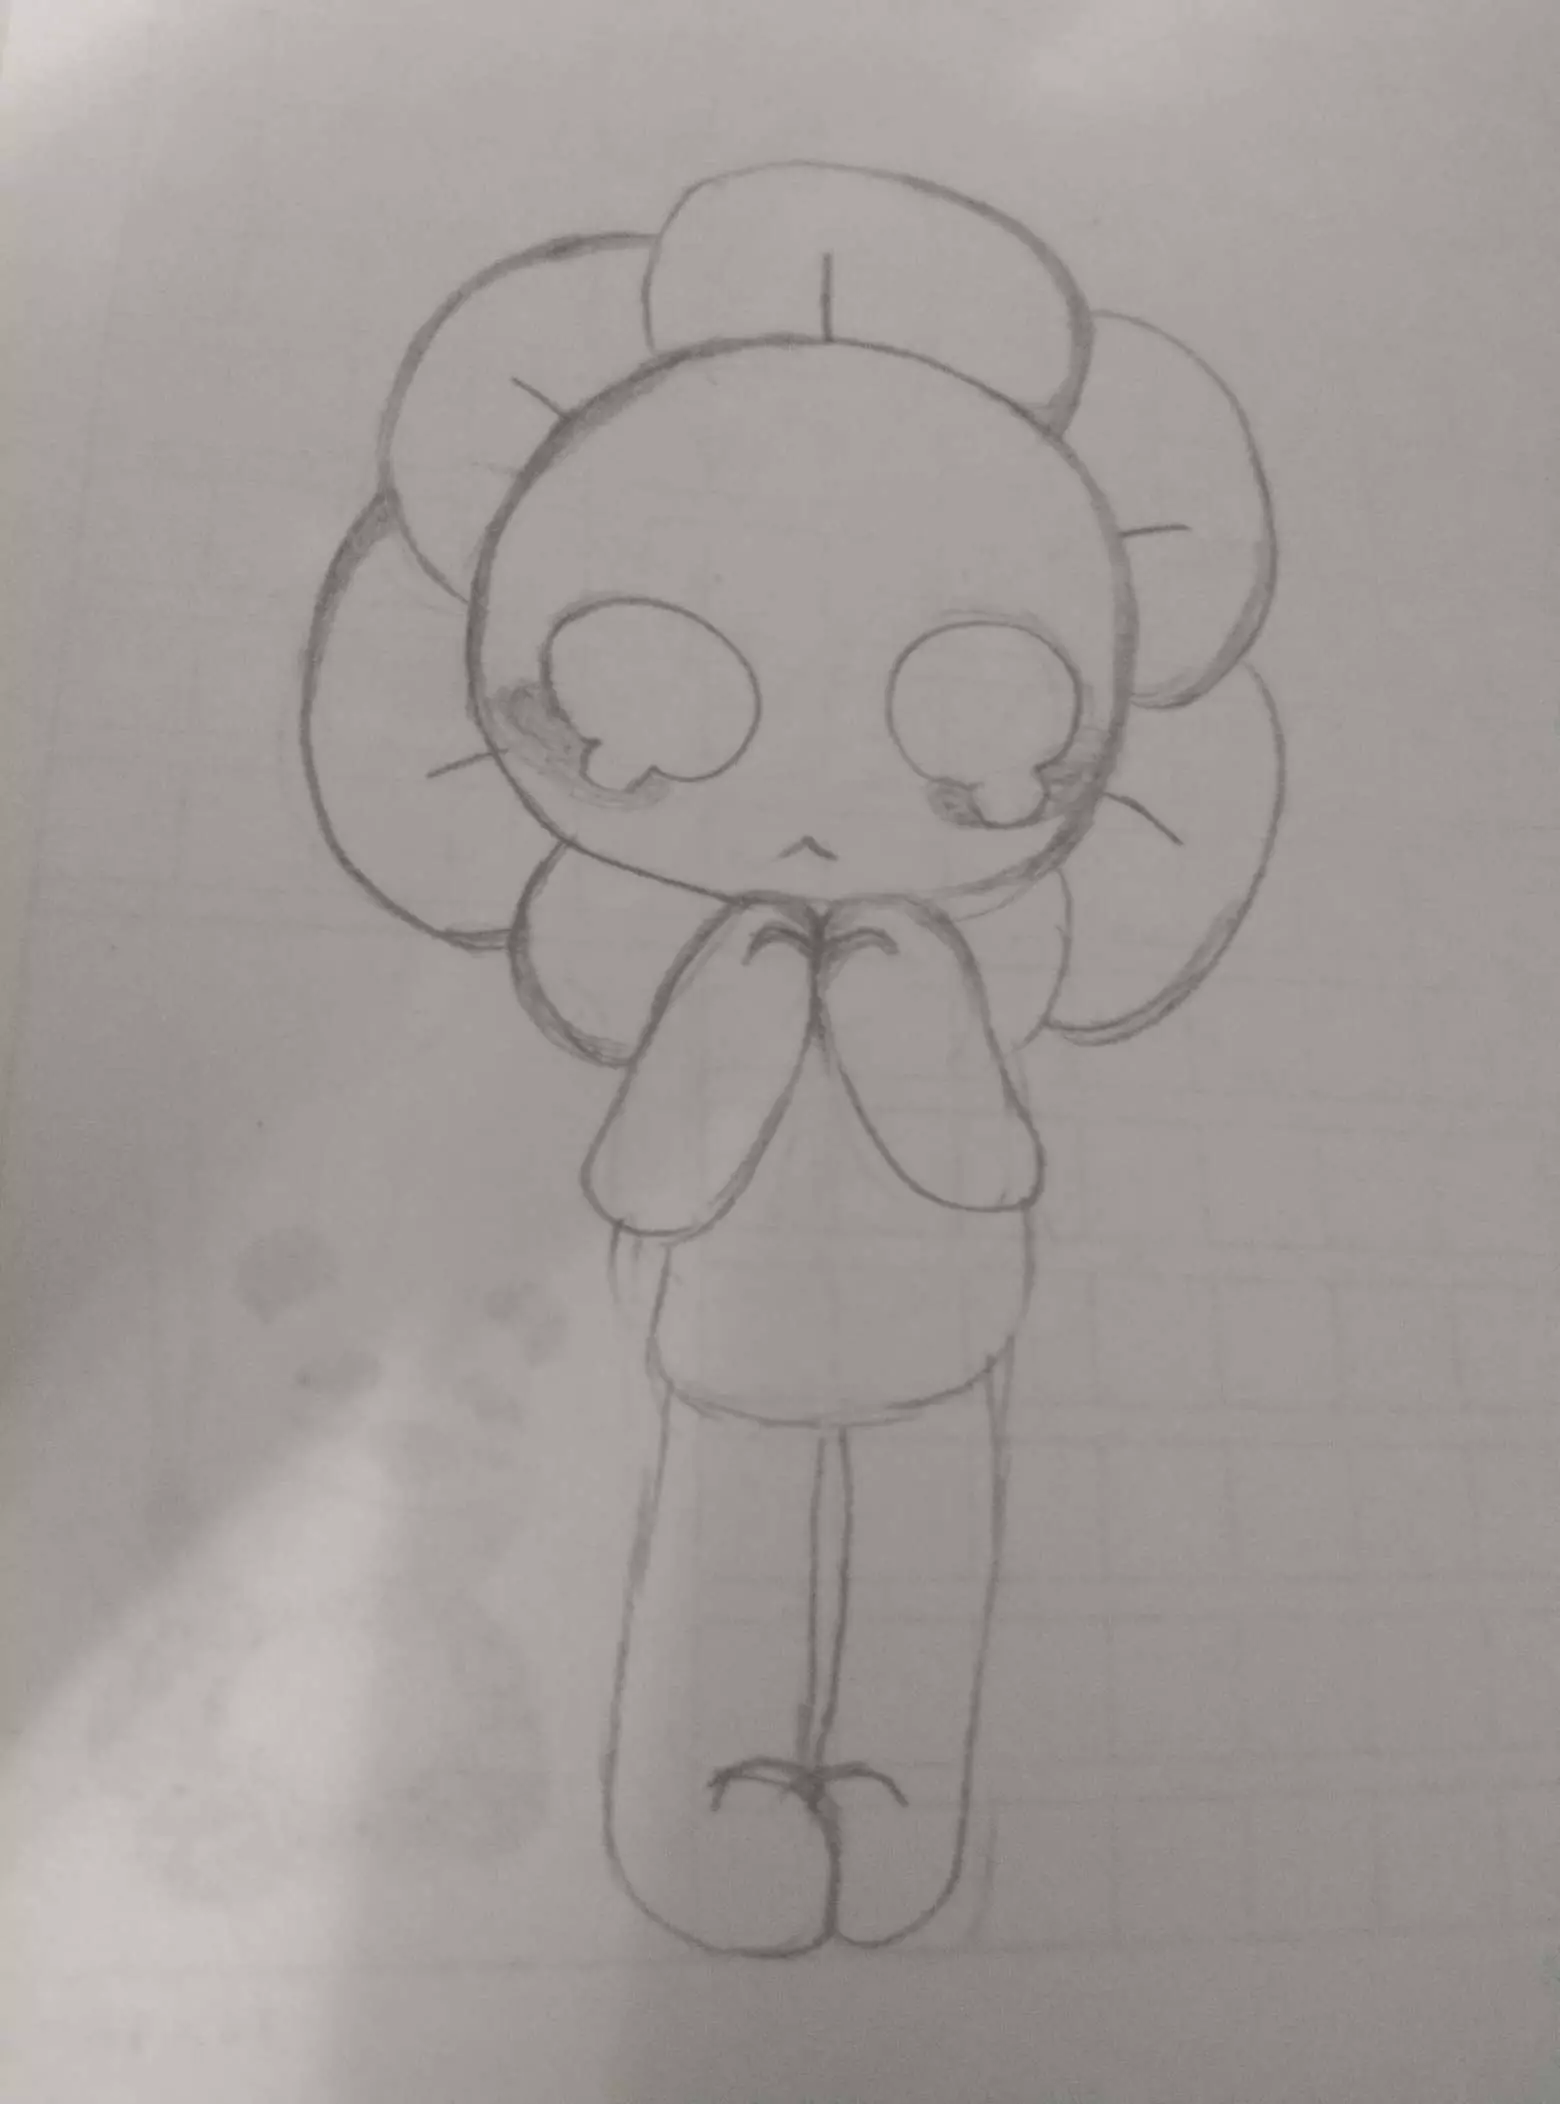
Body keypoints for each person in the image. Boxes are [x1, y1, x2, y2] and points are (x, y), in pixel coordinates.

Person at [303, 161, 1283, 1954]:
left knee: (922, 1567)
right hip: (721, 1351)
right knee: (722, 1564)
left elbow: (985, 1162)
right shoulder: (723, 966)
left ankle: (897, 1802)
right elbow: (643, 1180)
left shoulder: (929, 965)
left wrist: (897, 1028)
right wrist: (749, 1024)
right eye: (646, 690)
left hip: (944, 1337)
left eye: (983, 705)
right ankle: (696, 1804)